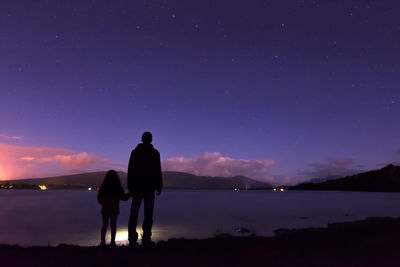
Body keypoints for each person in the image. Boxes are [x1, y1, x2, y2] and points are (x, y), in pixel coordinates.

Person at [128, 131, 163, 246]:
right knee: (148, 213)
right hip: (149, 187)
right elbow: (158, 170)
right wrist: (159, 185)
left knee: (134, 213)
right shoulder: (155, 153)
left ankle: (132, 238)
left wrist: (130, 186)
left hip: (137, 187)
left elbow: (131, 170)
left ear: (142, 139)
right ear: (150, 139)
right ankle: (146, 237)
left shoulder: (135, 152)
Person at [97, 170, 130, 247]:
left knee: (104, 225)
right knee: (113, 225)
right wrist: (131, 193)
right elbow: (124, 198)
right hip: (114, 209)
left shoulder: (103, 187)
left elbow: (99, 198)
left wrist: (103, 204)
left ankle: (102, 243)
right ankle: (112, 242)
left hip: (105, 209)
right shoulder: (117, 187)